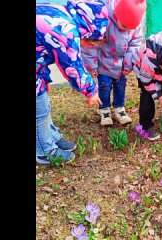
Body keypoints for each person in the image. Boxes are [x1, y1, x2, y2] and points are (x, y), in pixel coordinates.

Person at [36, 0, 109, 164]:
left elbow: (41, 47)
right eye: (90, 44)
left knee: (43, 103)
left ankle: (51, 136)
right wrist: (91, 92)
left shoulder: (61, 13)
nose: (86, 47)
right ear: (87, 33)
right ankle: (44, 150)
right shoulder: (66, 31)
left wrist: (44, 77)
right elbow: (73, 67)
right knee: (39, 109)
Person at [81, 0, 147, 126]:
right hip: (103, 63)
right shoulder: (103, 19)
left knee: (120, 86)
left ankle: (119, 108)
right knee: (104, 87)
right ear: (118, 15)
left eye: (130, 27)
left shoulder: (135, 25)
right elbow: (91, 45)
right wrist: (92, 66)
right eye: (125, 26)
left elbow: (134, 45)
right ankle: (104, 109)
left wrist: (128, 64)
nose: (127, 29)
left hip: (121, 66)